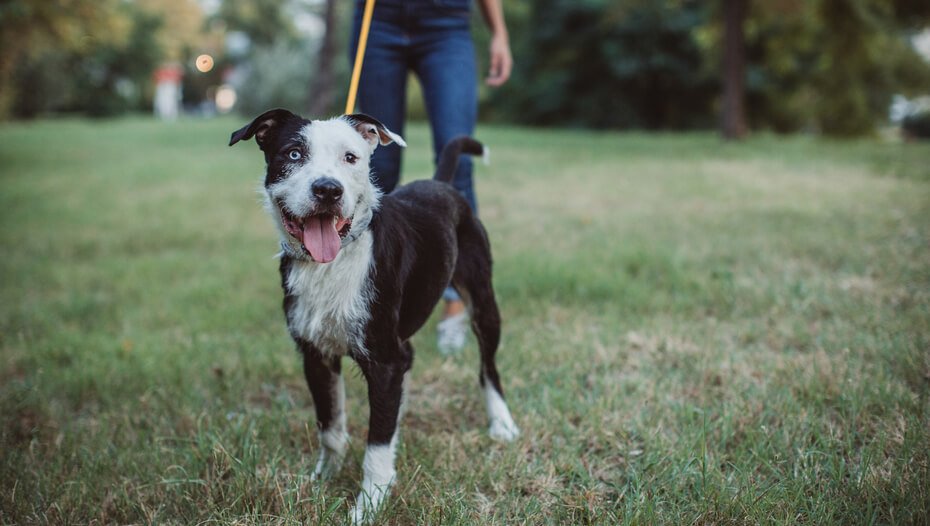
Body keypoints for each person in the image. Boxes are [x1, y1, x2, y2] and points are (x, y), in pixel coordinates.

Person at [350, 0, 512, 354]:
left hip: (447, 22)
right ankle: (371, 298)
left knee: (458, 166)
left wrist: (499, 32)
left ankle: (454, 302)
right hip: (378, 20)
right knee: (379, 165)